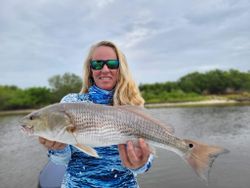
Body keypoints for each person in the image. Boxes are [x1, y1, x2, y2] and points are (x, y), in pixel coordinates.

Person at [39, 41, 154, 188]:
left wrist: (139, 164)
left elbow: (145, 164)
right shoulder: (70, 103)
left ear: (121, 68)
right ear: (90, 69)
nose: (105, 69)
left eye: (112, 64)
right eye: (98, 64)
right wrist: (58, 149)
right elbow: (61, 161)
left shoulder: (133, 107)